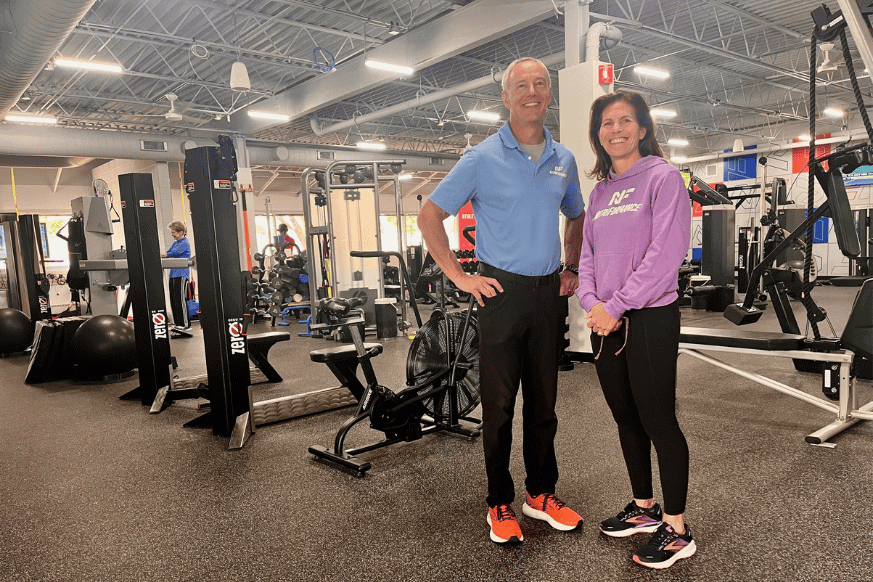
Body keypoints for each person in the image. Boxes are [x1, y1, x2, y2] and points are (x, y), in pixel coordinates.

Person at [417, 57, 586, 545]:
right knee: (499, 407)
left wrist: (571, 266)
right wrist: (459, 276)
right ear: (506, 97)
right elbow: (430, 217)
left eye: (540, 84)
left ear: (549, 93)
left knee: (545, 405)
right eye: (520, 85)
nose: (531, 92)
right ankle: (499, 502)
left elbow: (576, 215)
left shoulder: (565, 159)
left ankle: (541, 494)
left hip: (547, 294)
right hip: (499, 293)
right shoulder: (480, 158)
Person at [575, 90, 694, 569]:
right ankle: (644, 508)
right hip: (606, 319)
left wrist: (618, 304)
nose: (616, 129)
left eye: (626, 121)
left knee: (658, 420)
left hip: (649, 319)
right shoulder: (600, 192)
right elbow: (586, 257)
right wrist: (592, 302)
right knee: (626, 418)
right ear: (598, 134)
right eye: (607, 123)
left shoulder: (663, 178)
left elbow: (667, 255)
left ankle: (677, 528)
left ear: (643, 129)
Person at [162, 220, 191, 329]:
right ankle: (178, 323)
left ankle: (185, 324)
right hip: (173, 274)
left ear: (181, 232)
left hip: (181, 274)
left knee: (180, 299)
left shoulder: (184, 243)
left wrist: (154, 254)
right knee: (174, 299)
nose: (172, 234)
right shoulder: (175, 243)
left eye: (173, 232)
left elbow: (171, 254)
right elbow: (167, 254)